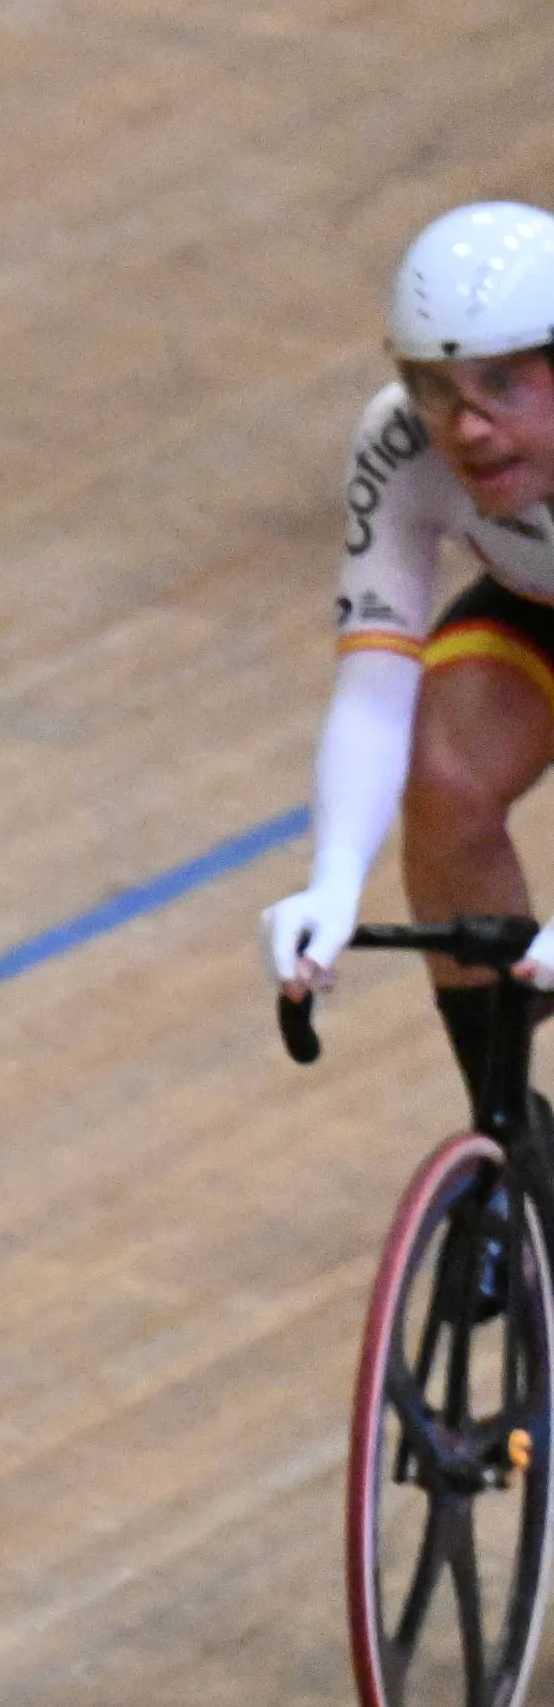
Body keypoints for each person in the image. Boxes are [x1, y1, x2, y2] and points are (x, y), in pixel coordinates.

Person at [267, 200, 554, 1131]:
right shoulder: (399, 444)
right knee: (440, 775)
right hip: (536, 603)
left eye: (502, 385)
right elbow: (373, 689)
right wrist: (336, 879)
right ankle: (509, 1130)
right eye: (438, 390)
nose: (465, 429)